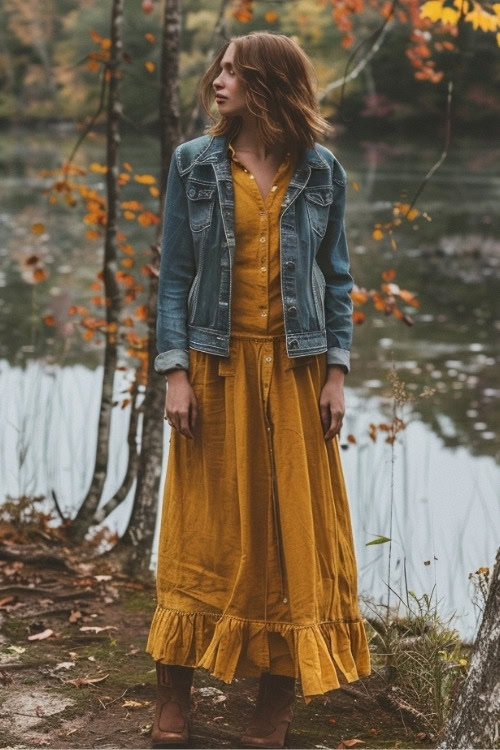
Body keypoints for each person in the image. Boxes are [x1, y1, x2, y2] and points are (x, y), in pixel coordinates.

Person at [146, 30, 371, 749]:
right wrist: (175, 373)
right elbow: (174, 276)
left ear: (269, 83)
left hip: (298, 373)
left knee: (293, 538)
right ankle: (173, 696)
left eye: (234, 70)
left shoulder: (322, 171)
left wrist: (336, 372)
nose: (218, 78)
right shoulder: (195, 165)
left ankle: (273, 707)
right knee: (199, 532)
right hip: (214, 368)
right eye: (220, 66)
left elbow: (337, 279)